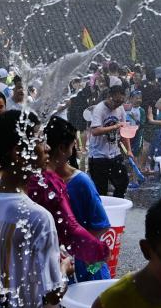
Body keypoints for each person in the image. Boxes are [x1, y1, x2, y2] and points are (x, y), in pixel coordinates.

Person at [0, 110, 64, 308]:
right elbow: (52, 293)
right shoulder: (38, 217)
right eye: (40, 140)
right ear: (18, 152)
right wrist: (64, 269)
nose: (47, 148)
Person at [27, 119, 109, 280]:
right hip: (54, 263)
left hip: (81, 266)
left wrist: (85, 252)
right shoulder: (41, 182)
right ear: (62, 148)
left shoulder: (81, 182)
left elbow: (100, 225)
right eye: (73, 146)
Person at [89, 82, 131, 197]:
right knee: (101, 189)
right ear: (109, 97)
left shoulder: (120, 109)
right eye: (116, 101)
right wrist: (114, 127)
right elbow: (95, 131)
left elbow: (124, 130)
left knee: (122, 183)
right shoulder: (99, 109)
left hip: (114, 153)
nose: (118, 105)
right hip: (98, 156)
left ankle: (118, 205)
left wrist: (129, 150)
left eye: (121, 102)